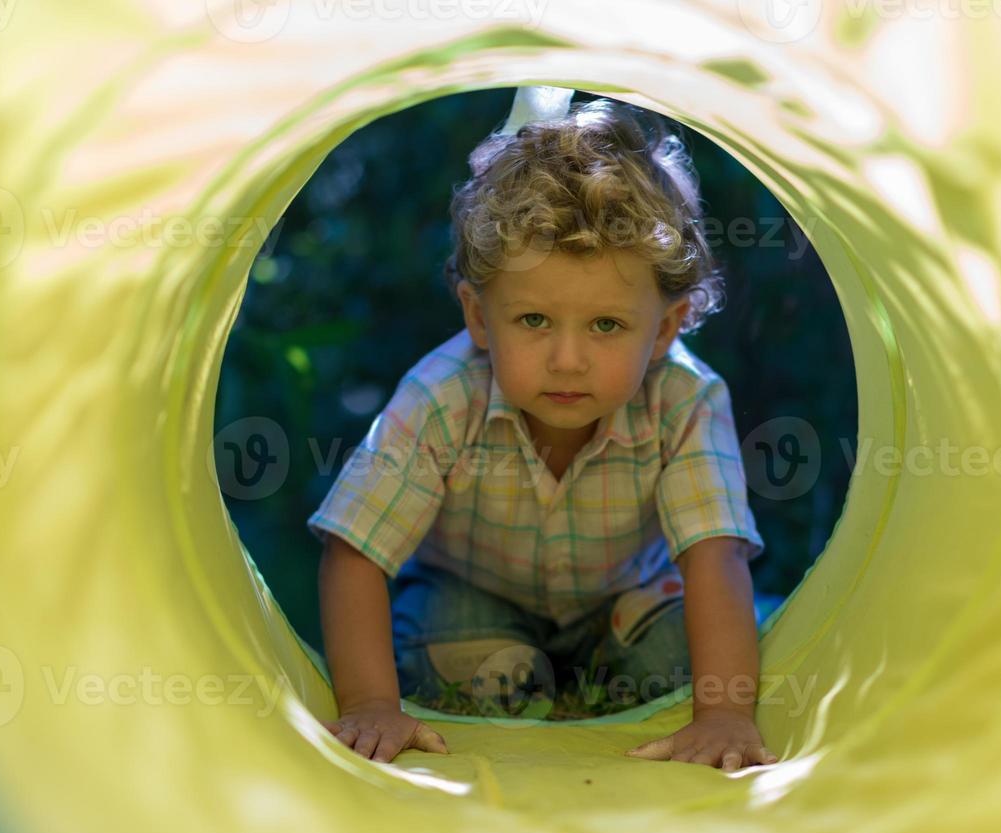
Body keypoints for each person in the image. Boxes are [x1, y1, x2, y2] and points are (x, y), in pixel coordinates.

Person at [308, 93, 778, 772]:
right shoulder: (442, 395)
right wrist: (370, 704)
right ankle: (526, 668)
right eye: (532, 321)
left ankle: (629, 662)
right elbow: (356, 550)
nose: (566, 359)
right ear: (478, 314)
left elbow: (715, 557)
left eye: (606, 326)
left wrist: (725, 715)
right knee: (468, 660)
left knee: (677, 659)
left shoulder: (685, 399)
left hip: (623, 597)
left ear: (665, 329)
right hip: (473, 590)